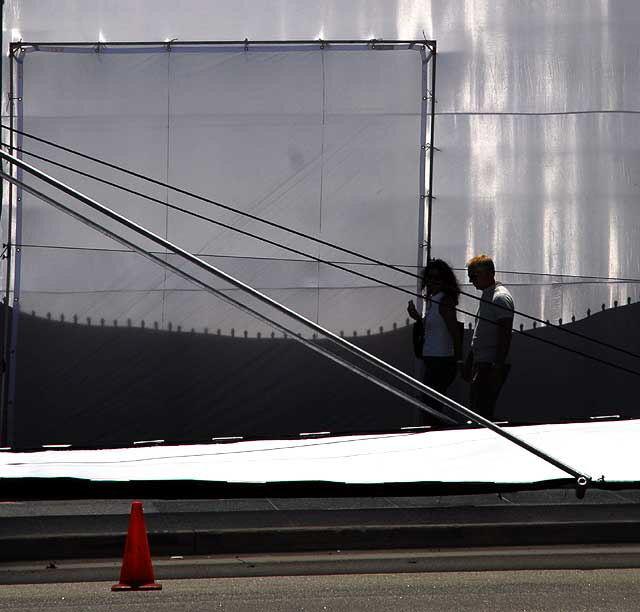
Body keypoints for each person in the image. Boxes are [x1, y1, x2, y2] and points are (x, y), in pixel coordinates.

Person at [407, 259, 463, 421]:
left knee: (432, 407)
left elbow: (454, 333)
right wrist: (418, 318)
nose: (432, 281)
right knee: (431, 405)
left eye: (437, 278)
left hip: (441, 361)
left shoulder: (444, 301)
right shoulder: (433, 300)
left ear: (445, 282)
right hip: (432, 359)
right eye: (430, 277)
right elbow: (435, 328)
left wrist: (459, 361)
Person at [463, 254, 514, 420]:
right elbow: (481, 331)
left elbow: (505, 334)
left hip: (489, 364)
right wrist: (470, 359)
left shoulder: (500, 297)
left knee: (482, 410)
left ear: (489, 273)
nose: (471, 281)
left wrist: (497, 367)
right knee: (477, 407)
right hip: (481, 362)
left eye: (473, 276)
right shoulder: (487, 294)